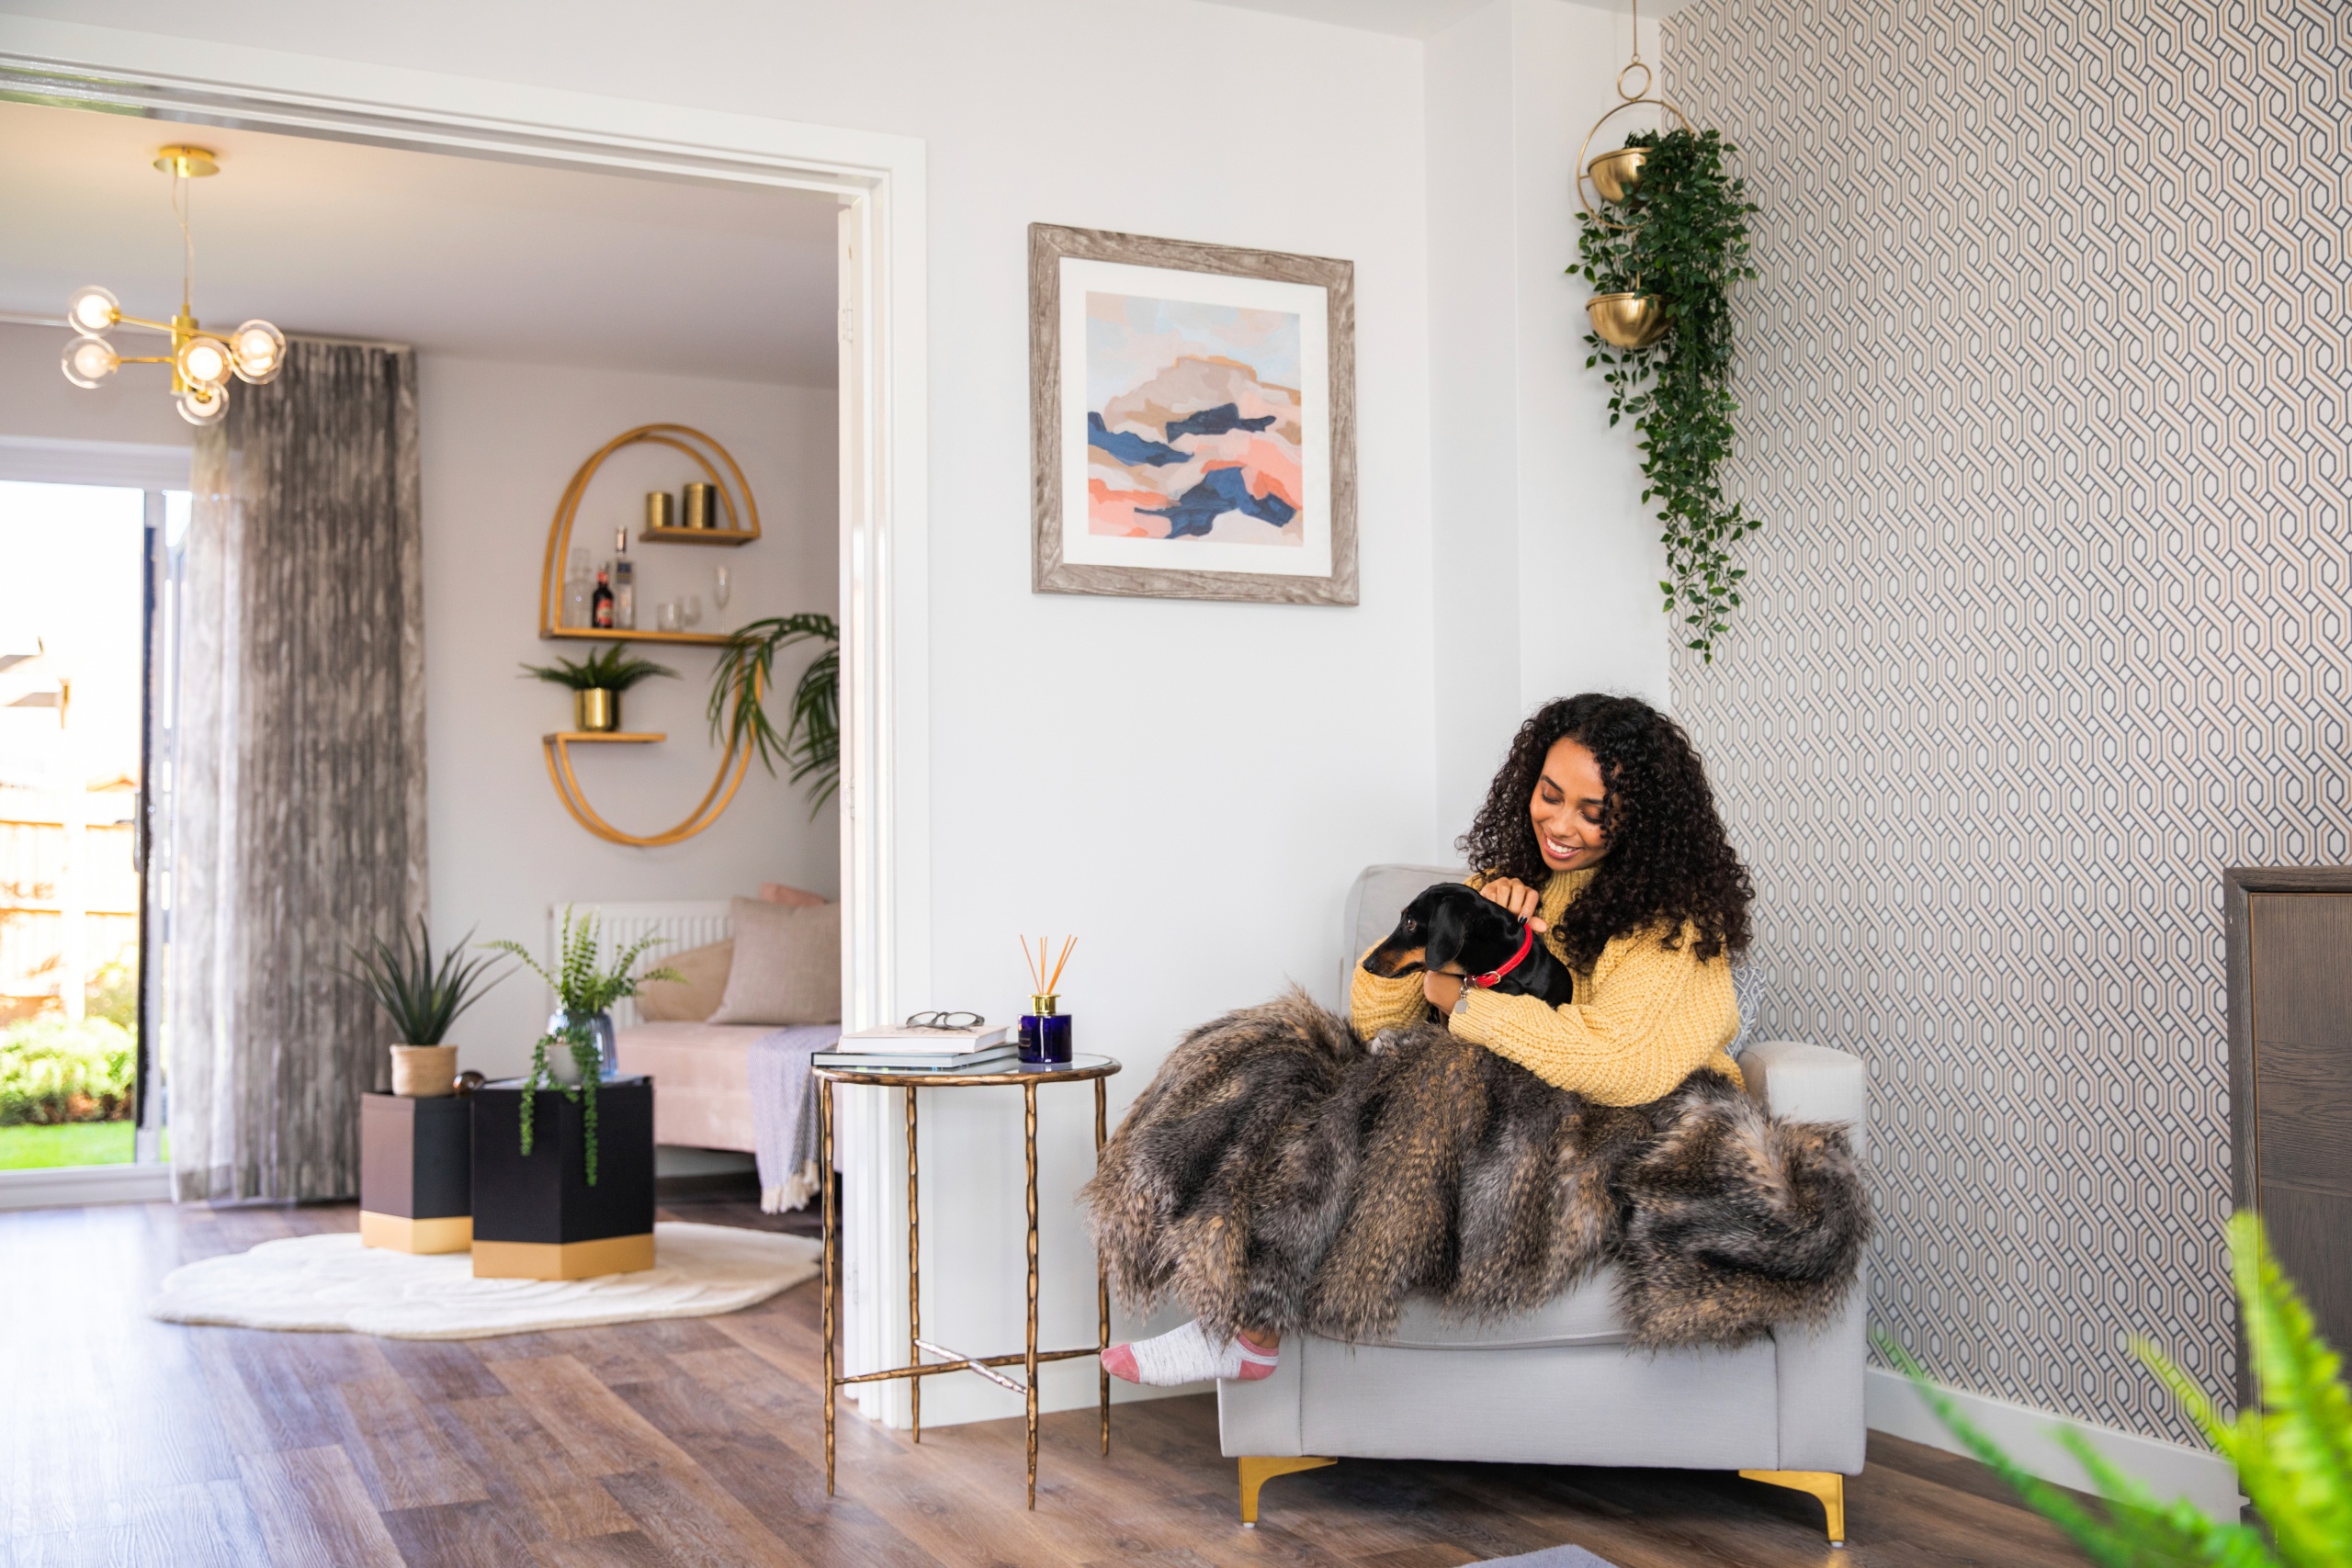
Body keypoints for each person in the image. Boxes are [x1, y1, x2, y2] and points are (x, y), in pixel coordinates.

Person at [1100, 693, 1756, 1387]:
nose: (1561, 825)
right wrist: (1474, 929)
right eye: (1549, 795)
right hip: (1509, 1103)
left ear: (1644, 823)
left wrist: (1465, 1001)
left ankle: (1249, 1328)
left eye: (1593, 813)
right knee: (1272, 1057)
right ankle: (1231, 1317)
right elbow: (1378, 1023)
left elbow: (1622, 1063)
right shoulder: (1508, 889)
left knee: (1441, 1085)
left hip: (1623, 1130)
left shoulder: (1673, 926)